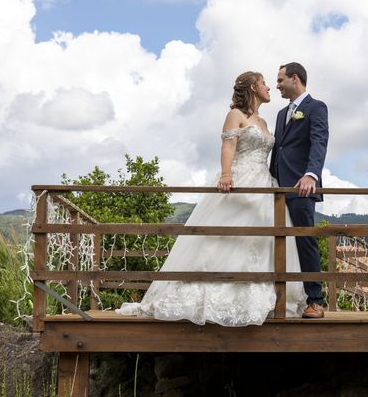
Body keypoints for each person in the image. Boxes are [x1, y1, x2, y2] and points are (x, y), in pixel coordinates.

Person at [116, 71, 307, 326]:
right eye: (263, 84)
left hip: (264, 184)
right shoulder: (235, 115)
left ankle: (263, 297)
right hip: (240, 180)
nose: (269, 88)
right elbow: (228, 146)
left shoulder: (262, 121)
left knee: (263, 240)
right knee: (226, 238)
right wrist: (227, 175)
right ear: (252, 87)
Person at [270, 62, 329, 319]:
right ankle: (275, 297)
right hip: (276, 188)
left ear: (295, 78)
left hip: (301, 187)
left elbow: (319, 141)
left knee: (305, 241)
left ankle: (316, 300)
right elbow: (279, 150)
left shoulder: (316, 107)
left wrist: (311, 175)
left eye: (281, 80)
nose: (277, 85)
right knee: (274, 241)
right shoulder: (281, 113)